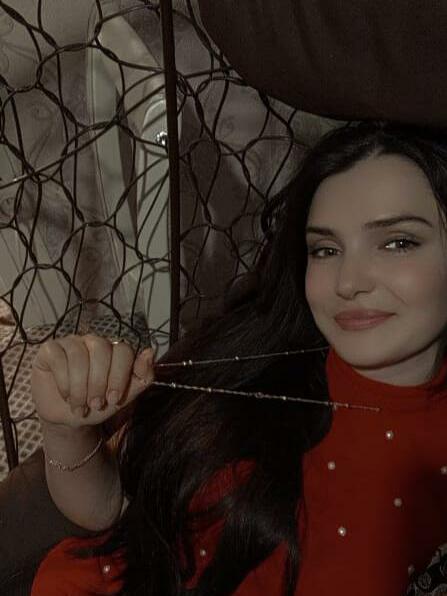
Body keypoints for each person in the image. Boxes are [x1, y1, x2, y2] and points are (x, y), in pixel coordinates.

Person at [30, 120, 447, 596]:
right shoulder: (254, 360)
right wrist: (66, 429)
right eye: (325, 249)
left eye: (397, 243)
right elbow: (108, 509)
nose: (349, 282)